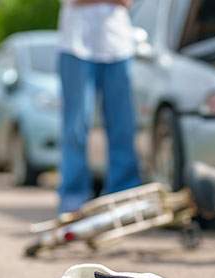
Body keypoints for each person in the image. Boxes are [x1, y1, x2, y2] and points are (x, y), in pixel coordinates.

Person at [58, 0, 142, 214]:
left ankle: (123, 196)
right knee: (76, 128)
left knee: (122, 127)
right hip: (75, 47)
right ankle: (73, 199)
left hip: (118, 47)